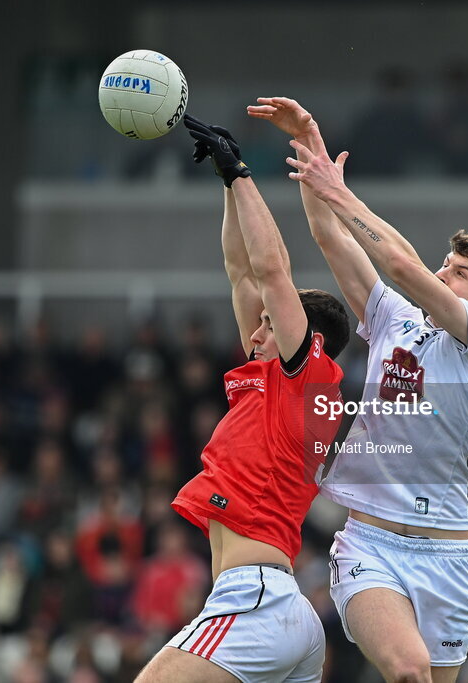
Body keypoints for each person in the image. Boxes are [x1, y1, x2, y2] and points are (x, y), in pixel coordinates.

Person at [248, 97, 468, 683]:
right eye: (445, 264)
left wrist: (341, 193)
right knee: (407, 672)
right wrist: (311, 150)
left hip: (449, 554)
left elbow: (401, 265)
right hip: (369, 542)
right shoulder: (396, 319)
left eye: (461, 273)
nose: (443, 274)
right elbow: (330, 238)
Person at [134, 114, 351, 683]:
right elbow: (241, 272)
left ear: (309, 335)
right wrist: (228, 187)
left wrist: (244, 173)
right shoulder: (273, 382)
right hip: (276, 604)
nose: (253, 335)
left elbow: (272, 270)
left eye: (267, 326)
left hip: (256, 599)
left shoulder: (310, 376)